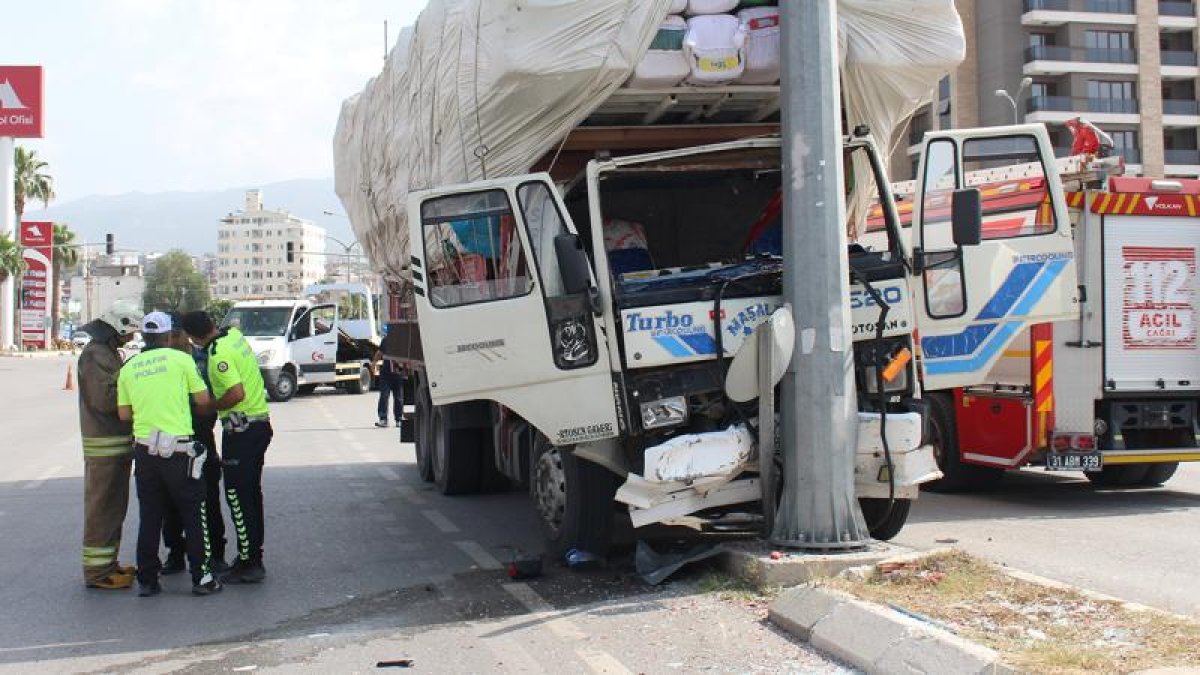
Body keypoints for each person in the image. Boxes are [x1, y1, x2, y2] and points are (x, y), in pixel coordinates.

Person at [117, 312, 222, 597]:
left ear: (144, 336)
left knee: (150, 516)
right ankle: (202, 578)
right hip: (179, 450)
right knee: (193, 513)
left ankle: (148, 581)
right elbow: (202, 400)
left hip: (146, 451)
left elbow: (124, 414)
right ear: (168, 336)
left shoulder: (129, 367)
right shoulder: (182, 360)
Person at [182, 311, 272, 584]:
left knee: (237, 498)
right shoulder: (233, 336)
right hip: (257, 426)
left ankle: (249, 562)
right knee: (251, 496)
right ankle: (252, 556)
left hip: (241, 431)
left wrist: (208, 406)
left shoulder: (218, 354)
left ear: (193, 338)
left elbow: (236, 394)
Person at [77, 299, 143, 590]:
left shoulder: (107, 352)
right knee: (102, 509)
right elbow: (104, 400)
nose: (131, 338)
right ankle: (97, 573)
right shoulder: (94, 355)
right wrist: (137, 391)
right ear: (117, 327)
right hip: (104, 447)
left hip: (115, 446)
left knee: (115, 507)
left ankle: (109, 563)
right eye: (129, 332)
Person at [161, 324, 228, 576]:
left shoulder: (203, 360)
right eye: (166, 336)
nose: (170, 340)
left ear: (184, 335)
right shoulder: (157, 361)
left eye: (174, 334)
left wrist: (200, 422)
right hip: (168, 441)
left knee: (207, 499)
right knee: (169, 503)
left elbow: (212, 399)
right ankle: (175, 553)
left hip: (199, 437)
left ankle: (216, 555)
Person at [373, 349, 404, 428]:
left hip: (398, 374)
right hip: (386, 375)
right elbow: (379, 353)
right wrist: (374, 363)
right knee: (384, 396)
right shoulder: (387, 339)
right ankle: (383, 419)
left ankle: (399, 419)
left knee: (398, 398)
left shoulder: (402, 340)